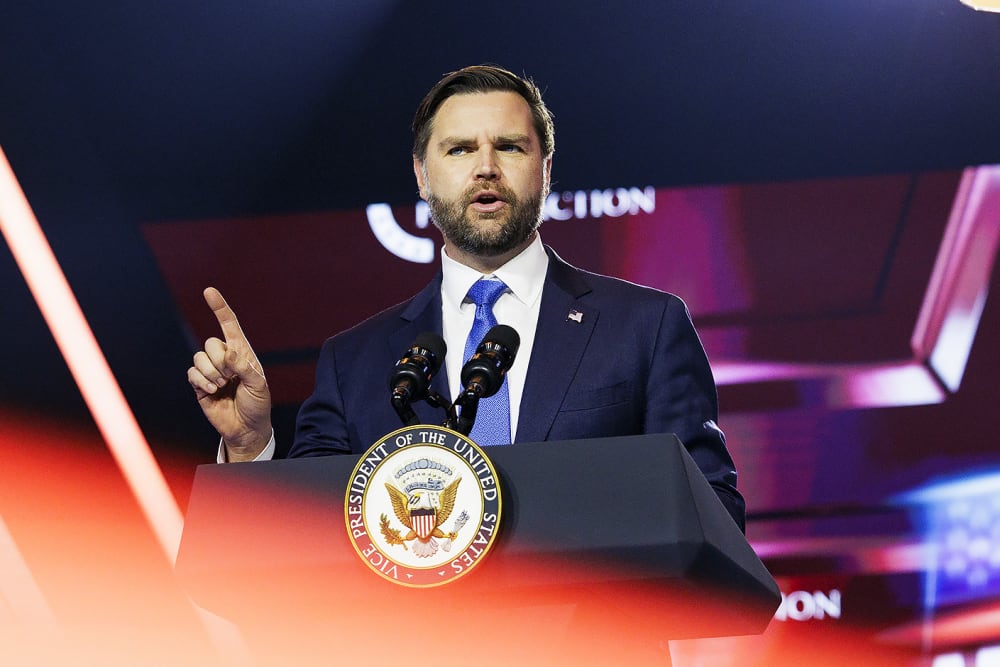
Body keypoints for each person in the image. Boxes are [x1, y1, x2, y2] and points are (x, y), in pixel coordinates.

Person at [187, 64, 745, 531]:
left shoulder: (646, 327)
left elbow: (714, 516)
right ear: (421, 175)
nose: (486, 168)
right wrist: (251, 446)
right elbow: (304, 539)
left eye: (510, 147)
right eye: (459, 149)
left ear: (545, 169)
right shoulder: (352, 361)